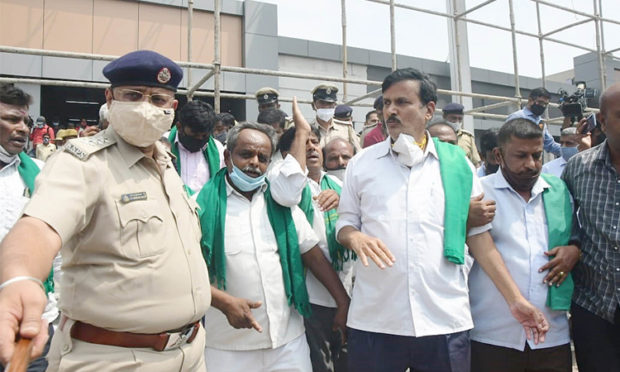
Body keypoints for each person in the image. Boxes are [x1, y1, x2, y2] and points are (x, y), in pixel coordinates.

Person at [0, 50, 211, 371]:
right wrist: (20, 280)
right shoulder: (82, 164)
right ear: (110, 98)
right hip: (117, 358)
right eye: (134, 95)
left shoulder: (167, 166)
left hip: (191, 354)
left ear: (172, 108)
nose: (146, 107)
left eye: (158, 99)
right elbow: (37, 228)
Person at [336, 68, 549, 372]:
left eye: (402, 102)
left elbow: (479, 238)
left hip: (443, 318)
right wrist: (354, 237)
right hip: (376, 319)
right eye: (386, 103)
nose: (391, 111)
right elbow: (345, 224)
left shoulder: (457, 165)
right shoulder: (362, 164)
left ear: (429, 110)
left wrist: (515, 300)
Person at [196, 122, 349, 372]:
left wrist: (343, 302)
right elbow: (186, 272)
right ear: (227, 156)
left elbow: (312, 255)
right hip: (227, 346)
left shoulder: (281, 204)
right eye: (246, 154)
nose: (254, 163)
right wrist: (223, 302)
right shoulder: (200, 207)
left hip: (287, 343)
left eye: (263, 158)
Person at [469, 118, 579, 372]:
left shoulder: (558, 191)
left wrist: (575, 249)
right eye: (520, 156)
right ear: (498, 155)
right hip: (493, 335)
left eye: (537, 155)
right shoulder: (479, 194)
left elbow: (577, 235)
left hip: (552, 334)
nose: (531, 164)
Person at [276, 126, 353, 371]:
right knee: (321, 364)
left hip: (350, 288)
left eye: (314, 142)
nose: (311, 148)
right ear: (288, 154)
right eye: (303, 144)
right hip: (313, 296)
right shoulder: (287, 190)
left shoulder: (338, 184)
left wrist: (343, 202)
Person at [561, 82, 620, 372]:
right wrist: (573, 245)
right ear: (603, 121)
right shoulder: (578, 168)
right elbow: (561, 219)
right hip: (595, 308)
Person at [0, 83, 58, 372]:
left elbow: (57, 246)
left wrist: (56, 306)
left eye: (26, 121)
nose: (23, 128)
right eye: (12, 119)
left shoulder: (41, 174)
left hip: (31, 323)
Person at [168, 100, 225, 194]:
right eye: (194, 134)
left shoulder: (217, 149)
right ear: (179, 127)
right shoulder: (162, 145)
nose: (199, 139)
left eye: (204, 136)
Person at [506, 87, 561, 157]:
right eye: (540, 102)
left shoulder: (541, 122)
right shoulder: (517, 117)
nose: (543, 106)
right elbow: (506, 141)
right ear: (530, 100)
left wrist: (571, 150)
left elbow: (550, 145)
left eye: (545, 104)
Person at [310, 84, 361, 152]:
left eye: (330, 104)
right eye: (322, 103)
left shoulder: (347, 129)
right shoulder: (307, 130)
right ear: (313, 105)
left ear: (335, 105)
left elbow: (358, 154)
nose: (326, 107)